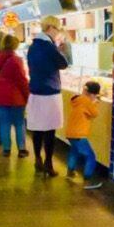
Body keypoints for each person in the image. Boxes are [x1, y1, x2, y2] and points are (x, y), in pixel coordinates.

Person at [26, 15, 69, 177]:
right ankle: (48, 163)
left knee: (37, 129)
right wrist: (59, 48)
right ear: (51, 28)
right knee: (50, 131)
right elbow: (63, 64)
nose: (58, 32)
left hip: (35, 91)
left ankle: (37, 159)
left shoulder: (33, 46)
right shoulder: (49, 46)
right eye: (57, 29)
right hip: (50, 93)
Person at [0, 34, 29, 158]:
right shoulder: (17, 60)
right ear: (15, 45)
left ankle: (6, 149)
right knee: (19, 123)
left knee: (4, 123)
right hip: (15, 97)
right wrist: (27, 96)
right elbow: (22, 80)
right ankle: (21, 149)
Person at [65, 81, 103, 190]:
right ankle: (88, 180)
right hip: (79, 134)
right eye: (95, 95)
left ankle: (70, 173)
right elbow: (94, 114)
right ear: (92, 94)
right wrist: (95, 102)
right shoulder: (87, 101)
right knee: (91, 156)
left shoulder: (77, 99)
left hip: (70, 132)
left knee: (74, 151)